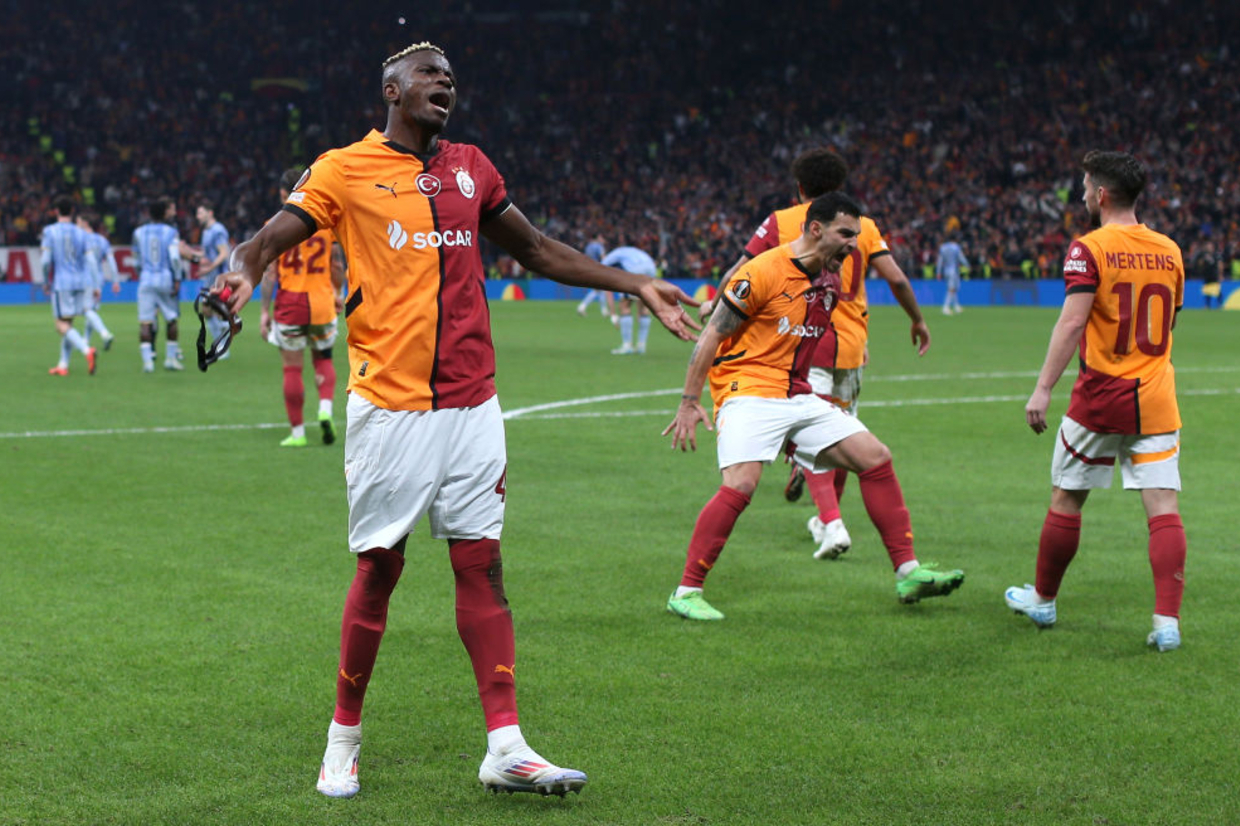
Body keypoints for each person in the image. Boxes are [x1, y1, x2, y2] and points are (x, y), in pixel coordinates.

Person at [210, 41, 699, 799]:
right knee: (381, 568)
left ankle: (506, 746)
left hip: (474, 403)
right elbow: (268, 239)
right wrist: (242, 274)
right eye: (429, 73)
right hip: (391, 406)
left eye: (450, 77)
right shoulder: (343, 168)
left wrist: (633, 284)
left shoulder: (472, 167)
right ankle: (343, 738)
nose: (445, 82)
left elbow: (535, 249)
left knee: (483, 565)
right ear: (392, 90)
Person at [663, 192, 962, 622]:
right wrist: (690, 401)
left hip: (796, 394)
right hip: (747, 389)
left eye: (856, 235)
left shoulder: (829, 282)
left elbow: (801, 343)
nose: (853, 244)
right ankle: (687, 591)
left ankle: (908, 572)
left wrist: (800, 417)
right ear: (816, 229)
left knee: (875, 457)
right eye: (846, 234)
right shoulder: (761, 271)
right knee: (742, 483)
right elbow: (712, 335)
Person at [703, 148, 930, 562]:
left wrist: (715, 305)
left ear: (800, 187)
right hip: (852, 343)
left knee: (827, 434)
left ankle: (830, 519)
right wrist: (917, 319)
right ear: (840, 188)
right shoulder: (863, 226)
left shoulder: (782, 221)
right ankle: (828, 517)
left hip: (799, 344)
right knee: (842, 436)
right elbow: (895, 278)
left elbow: (739, 272)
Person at [1006, 150, 1187, 653]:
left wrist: (1043, 388)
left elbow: (1072, 322)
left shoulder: (1089, 249)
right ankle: (1167, 623)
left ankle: (1043, 599)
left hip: (1101, 397)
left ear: (1101, 194)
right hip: (1156, 397)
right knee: (1163, 508)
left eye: (1085, 186)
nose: (1082, 194)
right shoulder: (1170, 249)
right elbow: (1170, 320)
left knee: (1067, 497)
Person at [259, 167, 348, 447]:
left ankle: (297, 434)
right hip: (321, 302)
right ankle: (325, 409)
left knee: (292, 369)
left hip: (291, 304)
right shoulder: (325, 224)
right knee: (324, 359)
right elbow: (337, 265)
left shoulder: (272, 226)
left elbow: (269, 274)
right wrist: (338, 293)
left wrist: (264, 311)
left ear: (283, 194)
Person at [41, 197, 97, 376]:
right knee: (68, 323)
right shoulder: (81, 233)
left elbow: (45, 261)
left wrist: (45, 281)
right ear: (72, 211)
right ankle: (63, 365)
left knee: (60, 325)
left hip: (62, 283)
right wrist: (95, 284)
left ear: (56, 211)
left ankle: (86, 350)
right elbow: (91, 261)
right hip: (80, 282)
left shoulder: (50, 231)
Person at [132, 198, 186, 372]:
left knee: (145, 321)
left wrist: (141, 273)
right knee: (171, 319)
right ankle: (170, 359)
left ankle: (147, 362)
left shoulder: (138, 233)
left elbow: (136, 260)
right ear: (164, 213)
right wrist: (177, 278)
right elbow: (175, 258)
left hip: (146, 278)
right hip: (164, 278)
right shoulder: (171, 232)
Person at [602, 245, 658, 354]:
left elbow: (604, 282)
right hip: (651, 269)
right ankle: (641, 346)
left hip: (635, 270)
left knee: (624, 305)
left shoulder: (610, 257)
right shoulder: (630, 251)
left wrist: (613, 314)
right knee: (644, 306)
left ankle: (627, 345)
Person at [76, 212, 119, 350]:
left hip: (83, 278)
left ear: (85, 223)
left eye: (78, 222)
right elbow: (112, 262)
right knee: (92, 310)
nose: (76, 225)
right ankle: (86, 340)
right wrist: (115, 280)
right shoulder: (102, 240)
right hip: (98, 278)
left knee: (86, 310)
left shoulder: (79, 239)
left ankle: (105, 333)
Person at [196, 202, 233, 348]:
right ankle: (221, 342)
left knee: (217, 311)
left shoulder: (218, 230)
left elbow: (224, 253)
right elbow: (207, 253)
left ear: (210, 213)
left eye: (200, 213)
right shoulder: (206, 231)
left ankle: (223, 342)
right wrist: (192, 254)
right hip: (210, 277)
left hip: (219, 277)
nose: (197, 216)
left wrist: (208, 268)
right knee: (206, 310)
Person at [574, 232, 611, 318]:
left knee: (600, 290)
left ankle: (604, 311)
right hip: (597, 270)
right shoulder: (599, 246)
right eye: (602, 238)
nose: (603, 240)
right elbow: (604, 259)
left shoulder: (588, 246)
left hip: (588, 269)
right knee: (598, 290)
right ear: (598, 237)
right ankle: (582, 307)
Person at [936, 232, 969, 315]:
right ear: (955, 239)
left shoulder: (943, 247)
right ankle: (945, 307)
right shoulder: (956, 247)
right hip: (953, 270)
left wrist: (938, 272)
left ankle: (956, 306)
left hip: (945, 271)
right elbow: (961, 258)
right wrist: (967, 265)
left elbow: (940, 261)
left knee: (953, 288)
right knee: (951, 289)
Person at [1195, 239, 1223, 309]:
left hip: (1214, 275)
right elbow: (1200, 264)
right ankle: (1207, 305)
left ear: (1212, 247)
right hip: (1207, 276)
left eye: (1209, 246)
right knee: (1207, 291)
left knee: (1217, 291)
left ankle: (1219, 304)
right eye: (1207, 246)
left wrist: (1220, 274)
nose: (1208, 247)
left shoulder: (1216, 255)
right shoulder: (1204, 255)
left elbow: (1220, 265)